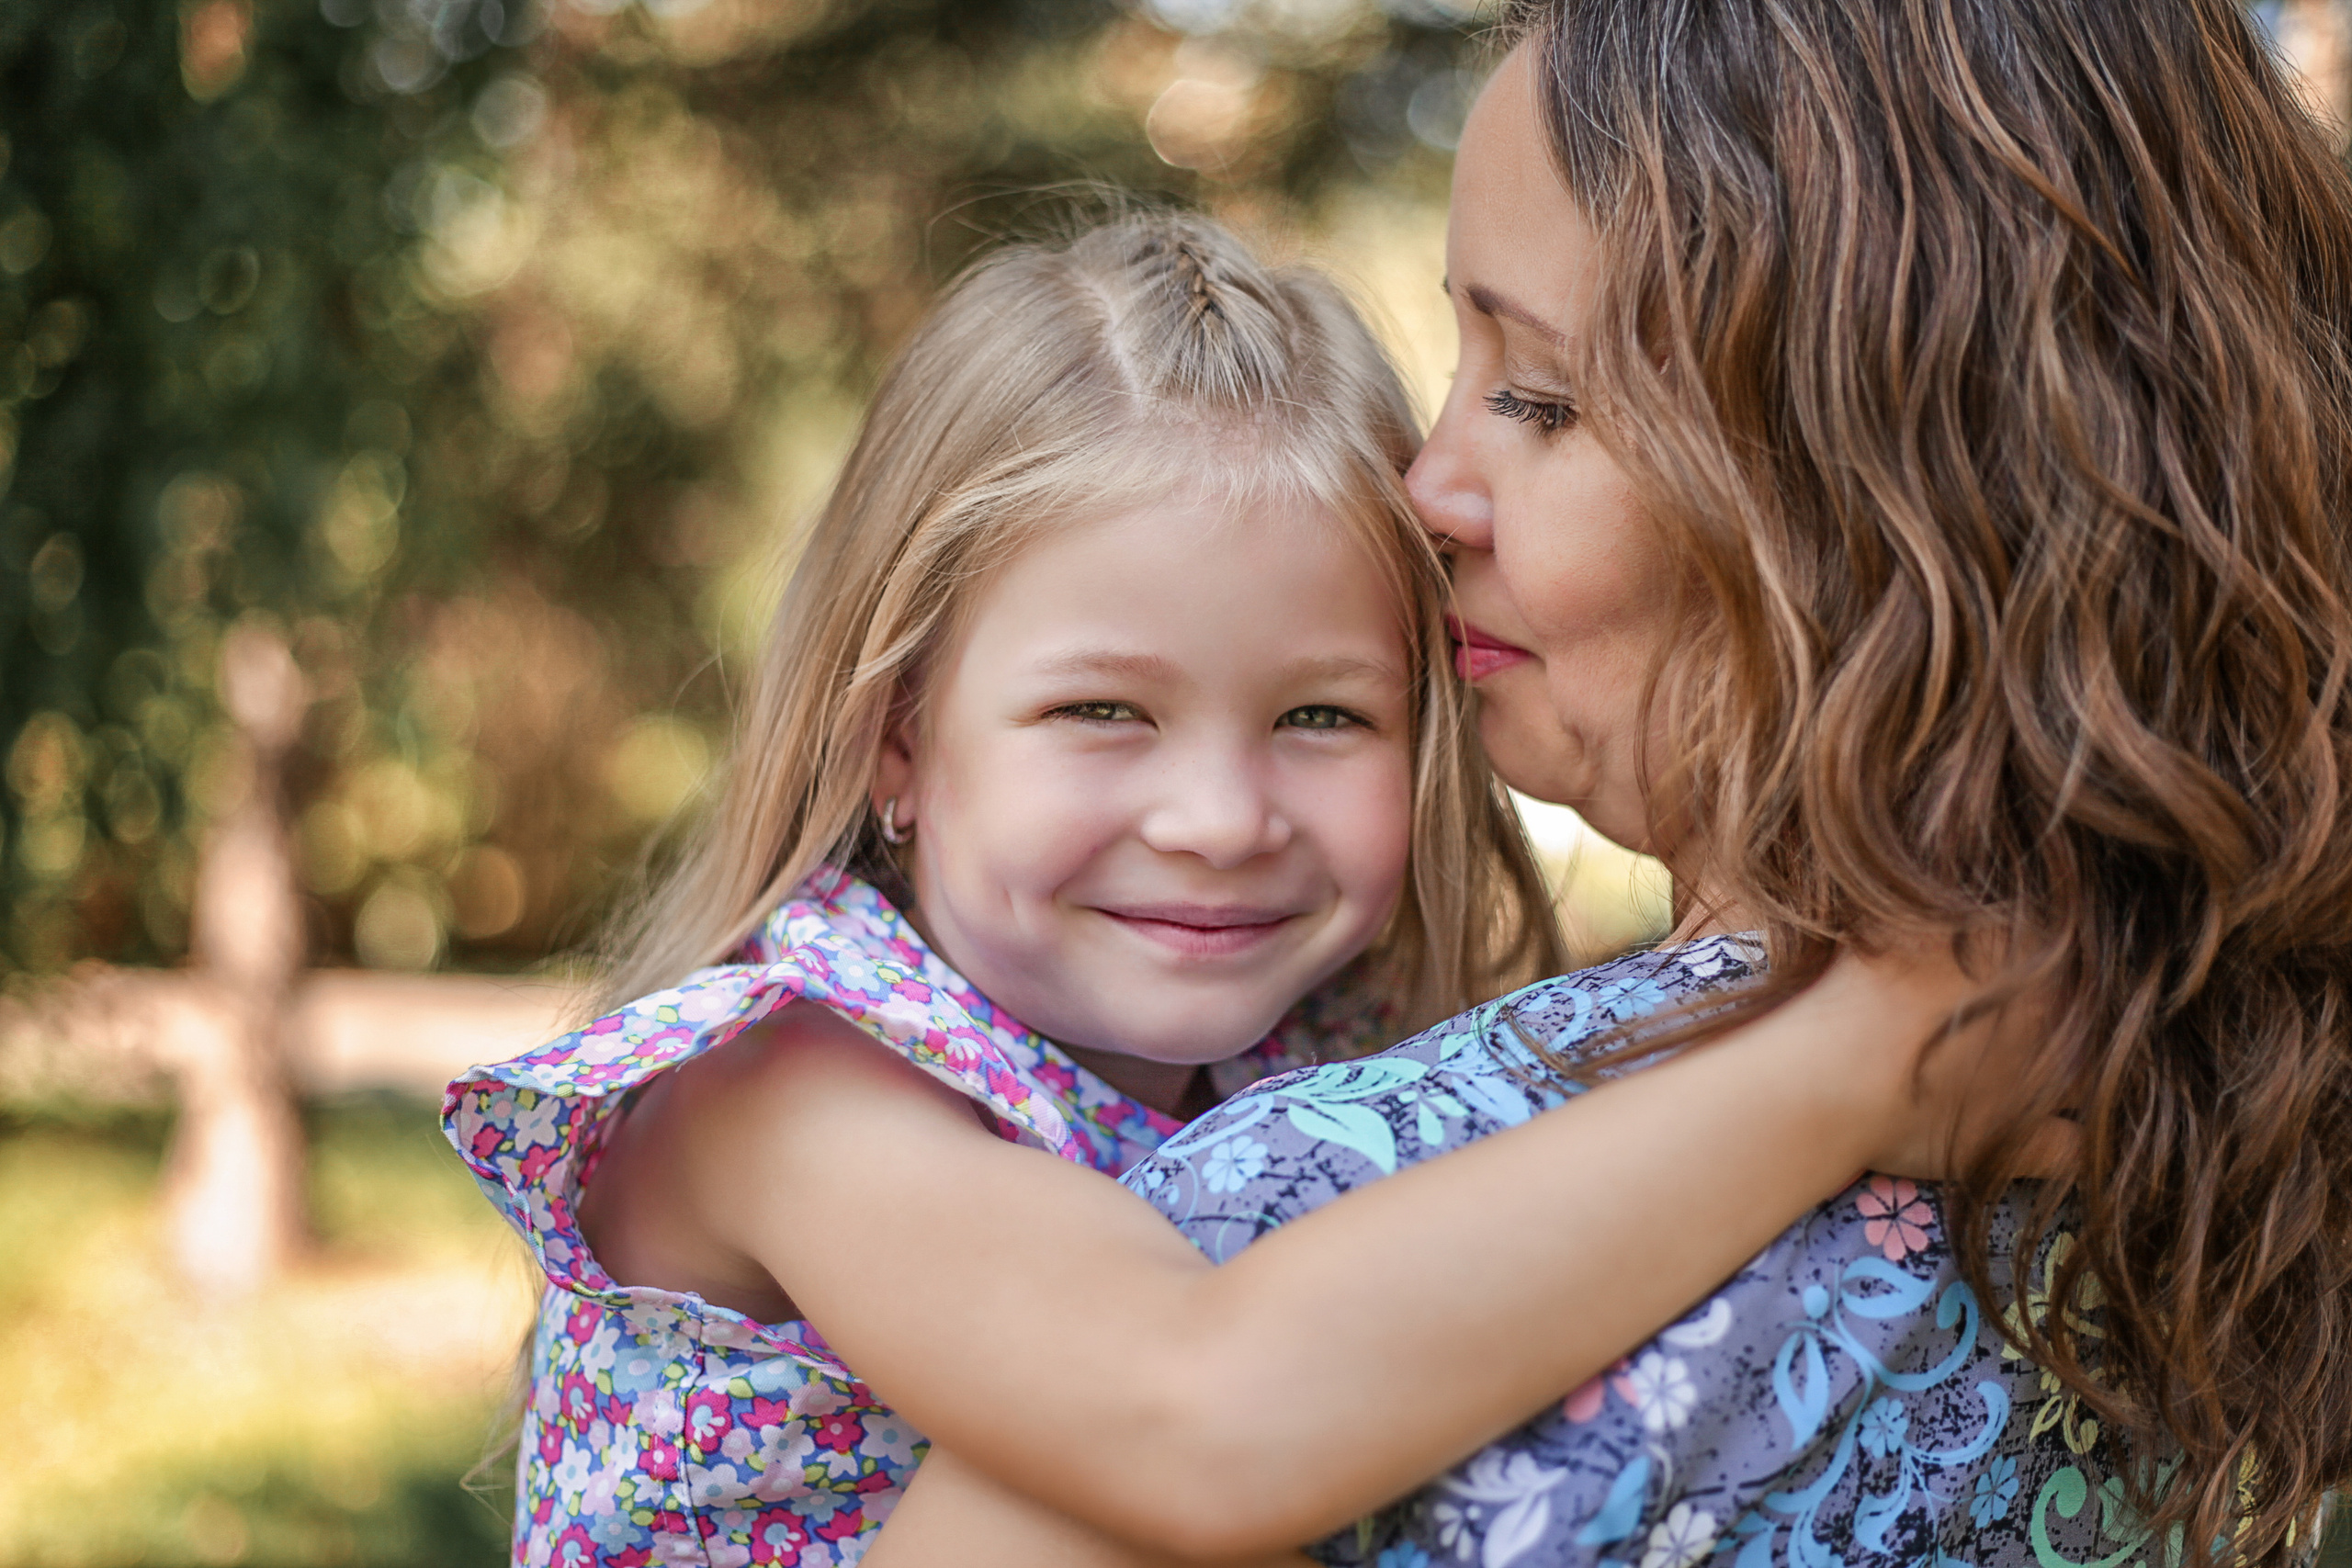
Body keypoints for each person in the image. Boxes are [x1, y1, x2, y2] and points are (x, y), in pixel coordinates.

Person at [865, 1, 2352, 1564]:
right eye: (1464, 365)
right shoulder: (2235, 1145)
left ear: (1874, 497)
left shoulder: (1311, 1227)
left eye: (1544, 400)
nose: (1425, 489)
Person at [443, 209, 2028, 1568]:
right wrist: (1853, 1068)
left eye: (1320, 717)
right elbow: (1200, 1409)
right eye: (1103, 713)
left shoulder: (1311, 1054)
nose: (1216, 818)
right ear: (899, 742)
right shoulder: (786, 1089)